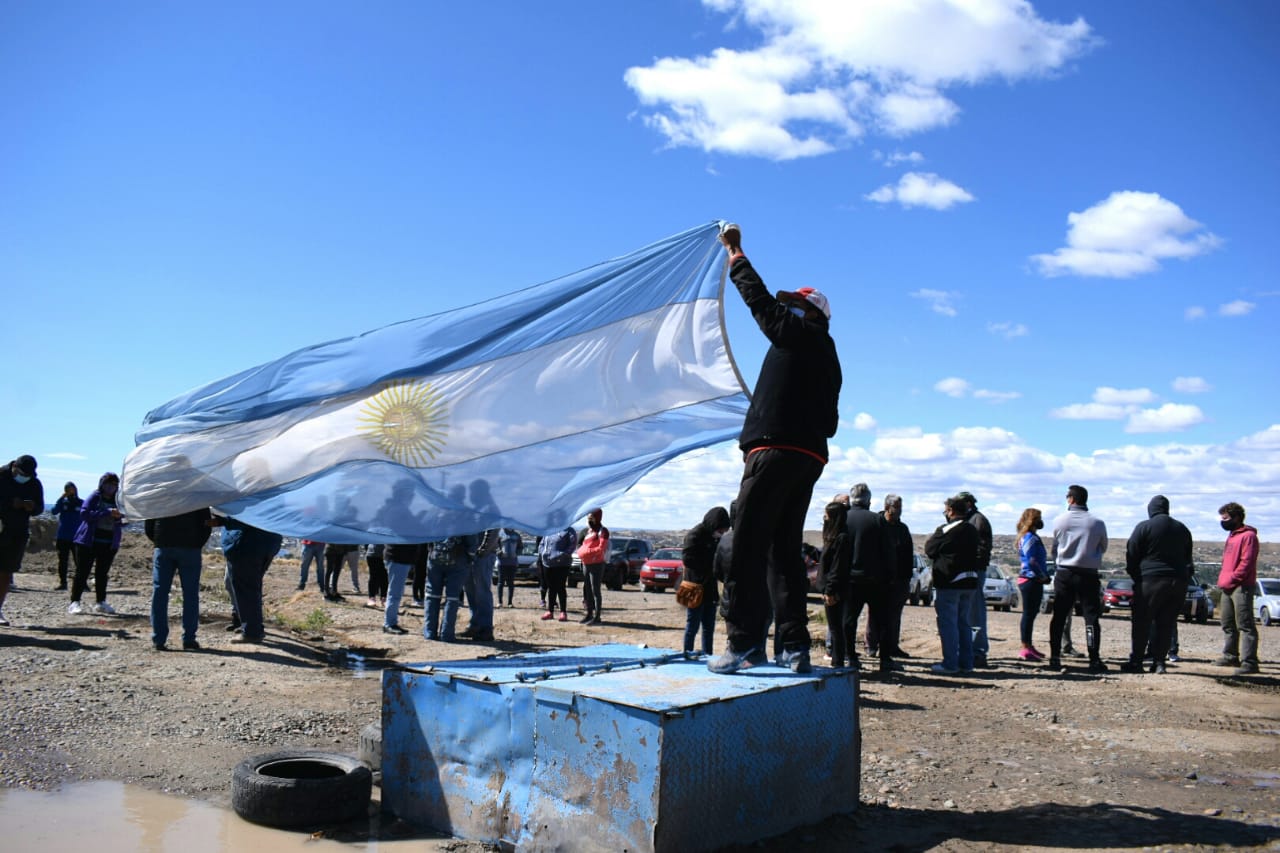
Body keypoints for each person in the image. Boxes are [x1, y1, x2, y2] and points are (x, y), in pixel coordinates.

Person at [710, 223, 842, 675]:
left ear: (812, 313)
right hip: (809, 458)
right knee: (784, 551)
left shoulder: (797, 333)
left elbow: (759, 303)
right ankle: (794, 649)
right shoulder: (829, 359)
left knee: (745, 545)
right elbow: (831, 423)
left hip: (774, 450)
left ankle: (743, 644)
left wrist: (736, 255)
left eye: (796, 305)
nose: (788, 310)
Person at [1121, 495, 1192, 675]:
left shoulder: (1144, 527)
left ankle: (1136, 661)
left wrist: (1137, 578)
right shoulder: (1182, 529)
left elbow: (1132, 554)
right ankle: (1160, 663)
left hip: (1151, 580)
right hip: (1178, 582)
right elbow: (1188, 560)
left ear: (1151, 509)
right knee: (1166, 623)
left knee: (1142, 622)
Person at [829, 484, 893, 677]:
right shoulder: (878, 520)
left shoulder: (843, 519)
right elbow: (888, 552)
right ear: (868, 501)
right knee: (882, 621)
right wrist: (890, 577)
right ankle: (885, 659)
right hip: (875, 581)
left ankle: (851, 657)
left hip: (850, 580)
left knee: (848, 621)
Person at [1048, 484, 1108, 673]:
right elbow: (1103, 546)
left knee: (1059, 617)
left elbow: (1054, 548)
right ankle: (1094, 659)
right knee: (1091, 618)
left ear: (1071, 499)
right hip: (1089, 574)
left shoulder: (1060, 521)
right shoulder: (1097, 523)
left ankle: (1055, 657)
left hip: (1065, 573)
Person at [146, 507, 218, 651]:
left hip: (164, 546)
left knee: (160, 592)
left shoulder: (159, 493)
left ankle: (158, 639)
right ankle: (189, 639)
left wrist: (158, 540)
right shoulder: (195, 495)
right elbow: (206, 525)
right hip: (190, 548)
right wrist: (197, 544)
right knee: (190, 593)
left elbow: (149, 524)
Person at [925, 495, 981, 674]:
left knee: (948, 624)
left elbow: (930, 549)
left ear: (950, 511)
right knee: (963, 623)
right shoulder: (972, 529)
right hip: (969, 581)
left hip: (950, 582)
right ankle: (966, 663)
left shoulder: (947, 529)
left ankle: (950, 663)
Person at [69, 472, 125, 615]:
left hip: (108, 543)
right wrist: (106, 512)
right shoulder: (95, 497)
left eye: (114, 484)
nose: (111, 487)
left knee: (102, 573)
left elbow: (124, 520)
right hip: (88, 542)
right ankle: (75, 602)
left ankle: (101, 601)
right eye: (108, 484)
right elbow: (85, 514)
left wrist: (119, 518)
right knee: (82, 572)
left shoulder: (119, 500)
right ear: (102, 484)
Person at [1215, 501, 1260, 676]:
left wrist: (1233, 579)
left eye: (1226, 518)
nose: (1223, 521)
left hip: (1241, 586)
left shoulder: (1248, 536)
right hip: (1227, 585)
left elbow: (1246, 563)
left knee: (1245, 624)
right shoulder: (1232, 535)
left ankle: (1249, 661)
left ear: (1237, 517)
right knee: (1227, 623)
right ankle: (1230, 655)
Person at [222, 517, 283, 644]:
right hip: (267, 543)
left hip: (248, 544)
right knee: (251, 588)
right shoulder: (271, 498)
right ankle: (251, 626)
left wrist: (223, 520)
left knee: (246, 589)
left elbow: (244, 516)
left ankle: (251, 631)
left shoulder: (247, 499)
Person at [869, 493, 913, 664]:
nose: (899, 511)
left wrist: (906, 578)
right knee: (875, 614)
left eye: (901, 508)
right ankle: (872, 646)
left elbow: (907, 555)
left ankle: (892, 646)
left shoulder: (902, 529)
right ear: (887, 507)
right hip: (879, 578)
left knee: (894, 616)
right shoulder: (877, 524)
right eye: (897, 508)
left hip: (899, 580)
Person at [680, 506, 730, 656]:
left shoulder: (715, 538)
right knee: (692, 624)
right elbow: (688, 560)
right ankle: (687, 653)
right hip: (693, 586)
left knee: (709, 626)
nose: (721, 535)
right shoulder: (694, 536)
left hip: (709, 587)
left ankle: (707, 654)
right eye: (720, 531)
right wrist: (710, 566)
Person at [0, 455, 44, 626]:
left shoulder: (33, 483)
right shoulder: (1, 476)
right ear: (14, 467)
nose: (24, 477)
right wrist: (11, 503)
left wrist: (31, 506)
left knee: (6, 572)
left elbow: (40, 507)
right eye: (22, 473)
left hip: (17, 532)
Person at [957, 491, 993, 668]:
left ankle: (978, 651)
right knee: (967, 611)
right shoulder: (968, 519)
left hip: (975, 571)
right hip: (966, 571)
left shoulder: (978, 520)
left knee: (975, 611)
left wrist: (972, 564)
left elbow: (982, 548)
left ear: (968, 503)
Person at [1014, 508, 1051, 661]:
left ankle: (1029, 645)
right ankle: (1025, 647)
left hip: (1033, 580)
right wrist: (1043, 576)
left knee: (1031, 614)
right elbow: (1032, 561)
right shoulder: (1029, 537)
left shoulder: (1032, 537)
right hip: (1030, 580)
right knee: (1028, 614)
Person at [423, 535, 477, 642]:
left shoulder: (434, 517)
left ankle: (430, 632)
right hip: (458, 559)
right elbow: (471, 539)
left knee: (432, 595)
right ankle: (446, 634)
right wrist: (471, 557)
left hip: (435, 555)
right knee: (452, 597)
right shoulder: (466, 518)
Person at [461, 529, 499, 641]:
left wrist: (482, 551)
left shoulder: (490, 511)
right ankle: (475, 624)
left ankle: (485, 628)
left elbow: (493, 531)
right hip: (470, 553)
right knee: (470, 590)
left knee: (482, 591)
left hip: (484, 555)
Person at [576, 508, 609, 625]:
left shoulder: (602, 531)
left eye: (591, 517)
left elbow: (601, 548)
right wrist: (581, 551)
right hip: (586, 564)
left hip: (597, 564)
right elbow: (580, 544)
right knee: (587, 590)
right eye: (588, 518)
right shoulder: (588, 531)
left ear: (597, 517)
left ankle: (597, 616)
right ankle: (589, 614)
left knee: (595, 590)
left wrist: (587, 551)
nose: (589, 519)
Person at [538, 521, 576, 622]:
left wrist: (562, 554)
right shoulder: (549, 531)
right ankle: (550, 611)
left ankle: (563, 612)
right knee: (551, 587)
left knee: (560, 587)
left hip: (562, 564)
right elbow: (541, 544)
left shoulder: (569, 530)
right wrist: (543, 553)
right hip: (548, 563)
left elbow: (572, 545)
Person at [50, 482, 82, 590]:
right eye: (67, 489)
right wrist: (61, 498)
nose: (70, 491)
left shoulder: (81, 503)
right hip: (63, 535)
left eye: (71, 488)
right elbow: (54, 511)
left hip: (77, 537)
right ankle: (63, 583)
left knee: (79, 561)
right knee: (63, 561)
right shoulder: (63, 503)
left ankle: (82, 583)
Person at [381, 543, 419, 634]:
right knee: (395, 593)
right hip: (398, 558)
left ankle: (391, 622)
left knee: (396, 592)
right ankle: (389, 624)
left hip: (400, 558)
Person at [497, 528, 522, 607]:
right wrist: (499, 552)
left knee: (511, 583)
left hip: (512, 563)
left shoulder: (517, 535)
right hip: (502, 562)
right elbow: (495, 545)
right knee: (500, 582)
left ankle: (510, 602)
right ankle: (500, 602)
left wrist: (517, 553)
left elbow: (520, 547)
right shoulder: (499, 534)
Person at [365, 544, 388, 609]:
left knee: (384, 577)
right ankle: (372, 597)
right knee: (373, 576)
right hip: (372, 554)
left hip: (386, 555)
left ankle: (384, 598)